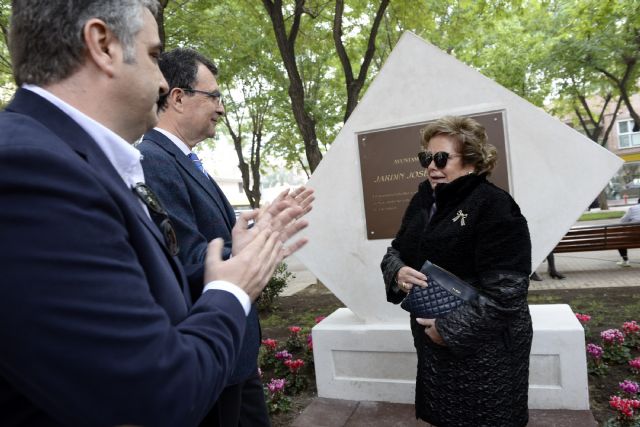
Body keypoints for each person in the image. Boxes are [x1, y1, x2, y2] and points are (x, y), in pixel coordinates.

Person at [0, 1, 309, 426]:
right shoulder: (30, 170)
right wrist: (232, 287)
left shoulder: (76, 161)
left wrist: (237, 250)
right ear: (103, 44)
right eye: (152, 55)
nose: (163, 82)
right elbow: (155, 393)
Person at [137, 48, 313, 426]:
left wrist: (260, 228)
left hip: (234, 353)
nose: (221, 107)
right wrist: (260, 241)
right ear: (178, 97)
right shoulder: (153, 160)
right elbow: (184, 259)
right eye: (213, 96)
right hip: (210, 357)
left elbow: (215, 238)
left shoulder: (184, 160)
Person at [381, 116, 532, 426]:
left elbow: (507, 294)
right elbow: (396, 250)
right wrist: (398, 271)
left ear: (471, 163)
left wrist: (447, 330)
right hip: (433, 341)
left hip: (484, 348)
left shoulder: (495, 206)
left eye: (441, 158)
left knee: (482, 417)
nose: (431, 166)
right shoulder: (423, 200)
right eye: (426, 158)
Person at [617, 199, 640, 267]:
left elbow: (623, 221)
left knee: (619, 240)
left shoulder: (633, 209)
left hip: (634, 236)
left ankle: (625, 260)